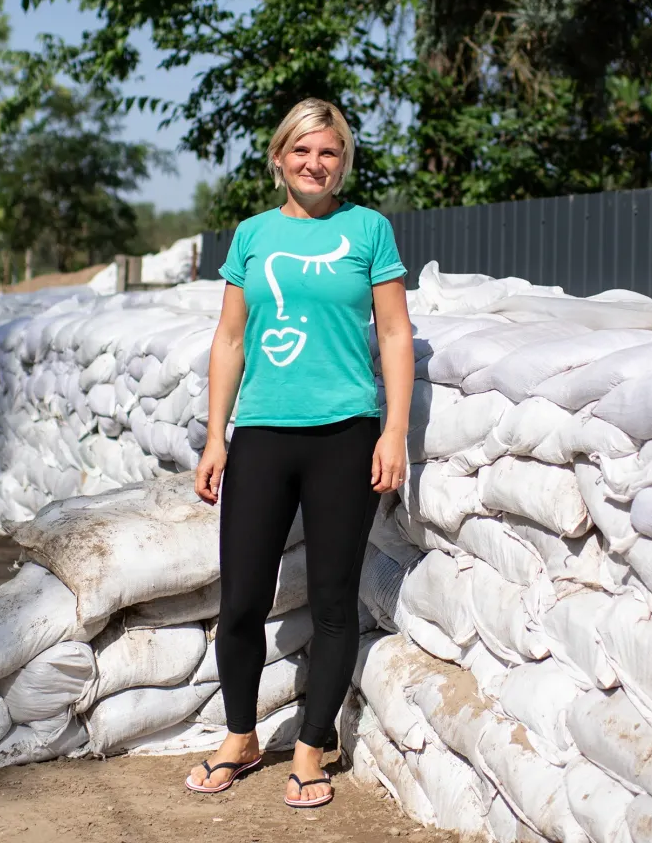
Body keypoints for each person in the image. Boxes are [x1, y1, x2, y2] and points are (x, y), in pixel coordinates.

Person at [185, 98, 414, 809]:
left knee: (334, 601)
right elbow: (228, 340)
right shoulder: (251, 236)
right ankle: (241, 736)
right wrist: (216, 434)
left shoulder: (367, 229)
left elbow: (397, 335)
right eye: (302, 152)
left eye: (330, 153)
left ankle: (313, 748)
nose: (316, 164)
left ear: (344, 161)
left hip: (345, 434)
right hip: (260, 435)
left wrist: (395, 431)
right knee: (243, 597)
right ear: (279, 158)